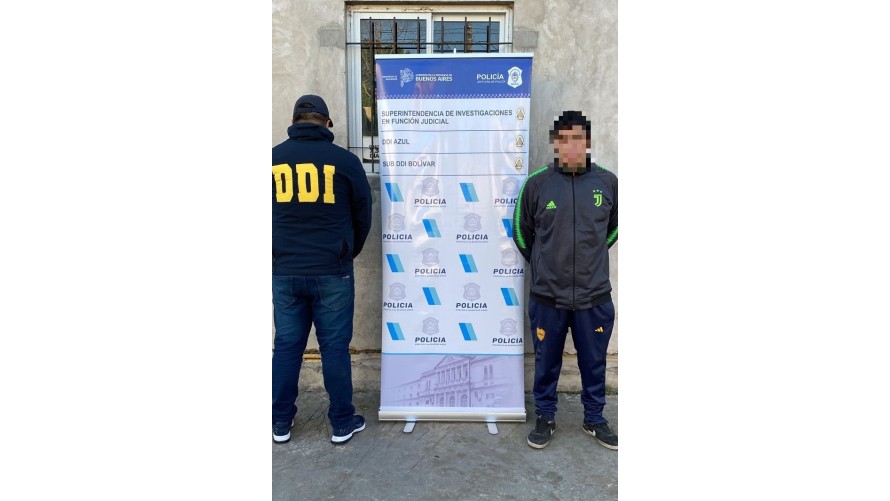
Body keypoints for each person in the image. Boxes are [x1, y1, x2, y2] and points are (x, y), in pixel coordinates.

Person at [512, 110, 618, 450]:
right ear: (555, 143)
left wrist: (592, 259)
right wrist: (544, 264)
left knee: (594, 363)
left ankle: (594, 418)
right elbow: (521, 232)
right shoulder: (537, 184)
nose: (571, 146)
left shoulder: (608, 182)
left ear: (587, 142)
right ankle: (545, 416)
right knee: (546, 362)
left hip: (594, 296)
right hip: (548, 297)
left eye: (578, 139)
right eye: (564, 139)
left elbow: (613, 229)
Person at [272, 94, 372, 445]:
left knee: (286, 347)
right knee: (334, 348)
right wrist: (347, 253)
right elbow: (363, 215)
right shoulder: (345, 161)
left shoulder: (272, 160)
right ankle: (342, 423)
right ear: (327, 123)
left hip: (285, 271)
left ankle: (279, 422)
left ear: (293, 122)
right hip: (333, 272)